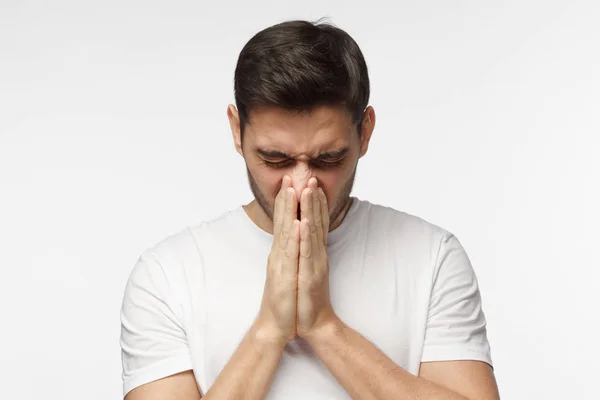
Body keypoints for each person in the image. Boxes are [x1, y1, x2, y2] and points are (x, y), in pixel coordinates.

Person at [120, 19, 500, 400]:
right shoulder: (166, 275)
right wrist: (269, 329)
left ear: (364, 133)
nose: (302, 185)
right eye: (275, 159)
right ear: (237, 131)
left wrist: (323, 326)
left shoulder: (432, 258)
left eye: (329, 159)